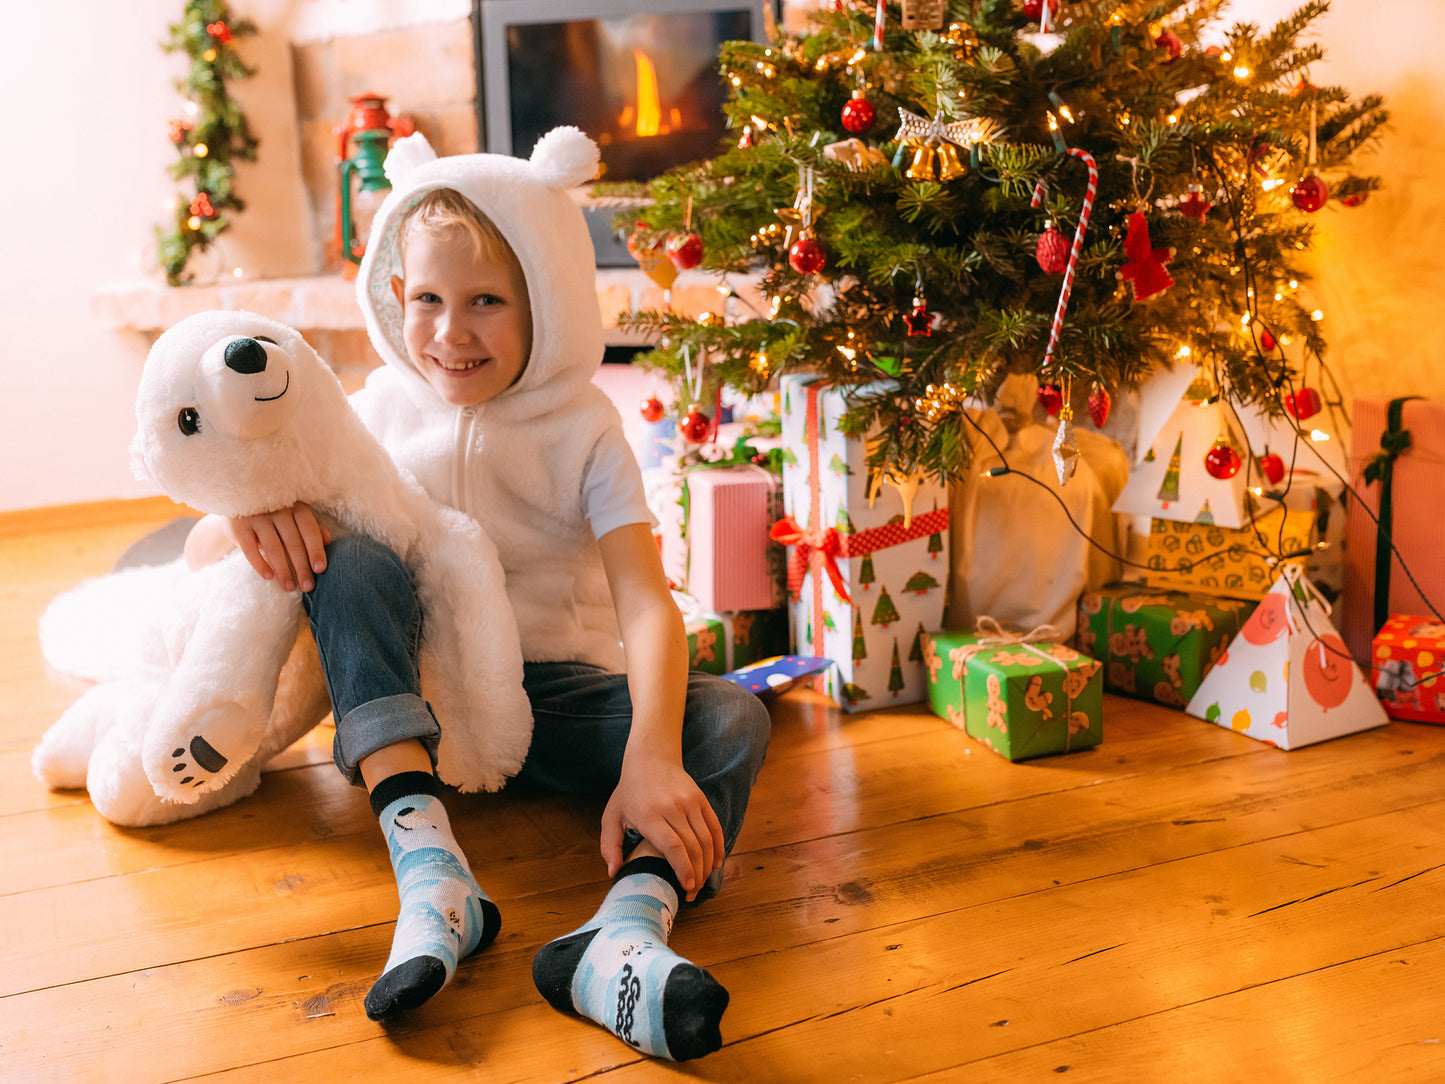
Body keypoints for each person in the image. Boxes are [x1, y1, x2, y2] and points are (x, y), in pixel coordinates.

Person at [183, 127, 771, 1061]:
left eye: (487, 301)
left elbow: (647, 603)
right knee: (349, 562)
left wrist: (652, 759)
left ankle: (622, 929)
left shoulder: (586, 431)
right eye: (426, 300)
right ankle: (434, 878)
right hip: (409, 706)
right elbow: (204, 542)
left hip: (551, 702)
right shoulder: (369, 414)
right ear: (394, 296)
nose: (450, 335)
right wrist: (255, 518)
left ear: (549, 300)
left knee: (730, 720)